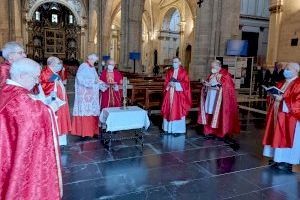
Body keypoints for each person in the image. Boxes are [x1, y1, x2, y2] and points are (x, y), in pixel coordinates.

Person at [0, 58, 62, 199]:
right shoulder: (19, 98)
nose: (37, 81)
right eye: (35, 77)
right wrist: (50, 110)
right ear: (22, 76)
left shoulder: (7, 91)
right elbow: (33, 123)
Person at [263, 62, 300, 172]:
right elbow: (277, 95)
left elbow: (298, 101)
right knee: (277, 136)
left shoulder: (298, 84)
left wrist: (283, 99)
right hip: (278, 115)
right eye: (285, 69)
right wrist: (272, 96)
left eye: (288, 69)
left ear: (296, 71)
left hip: (290, 118)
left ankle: (287, 163)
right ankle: (277, 159)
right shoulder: (282, 82)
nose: (285, 71)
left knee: (286, 138)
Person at [198, 60, 240, 140]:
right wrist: (205, 84)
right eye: (212, 67)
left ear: (219, 66)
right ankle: (210, 131)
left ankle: (219, 132)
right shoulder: (212, 75)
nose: (212, 68)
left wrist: (220, 88)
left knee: (219, 115)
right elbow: (209, 82)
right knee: (210, 114)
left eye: (213, 67)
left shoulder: (225, 74)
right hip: (211, 96)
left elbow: (229, 87)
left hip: (219, 99)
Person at [71, 54, 106, 137]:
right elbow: (80, 79)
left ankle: (93, 131)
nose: (95, 62)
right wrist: (93, 82)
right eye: (94, 60)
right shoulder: (83, 66)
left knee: (93, 111)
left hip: (92, 95)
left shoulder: (92, 68)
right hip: (84, 95)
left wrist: (102, 84)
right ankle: (85, 132)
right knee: (86, 111)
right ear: (90, 59)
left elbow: (96, 79)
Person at [40, 56, 72, 145]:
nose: (60, 65)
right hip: (54, 100)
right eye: (58, 63)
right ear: (52, 64)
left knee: (61, 117)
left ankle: (61, 139)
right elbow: (44, 87)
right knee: (56, 117)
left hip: (60, 100)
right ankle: (55, 139)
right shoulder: (45, 73)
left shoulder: (55, 73)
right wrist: (54, 83)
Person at [161, 57, 191, 134]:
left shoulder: (184, 72)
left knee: (177, 110)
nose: (174, 63)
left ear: (180, 63)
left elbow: (186, 84)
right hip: (169, 94)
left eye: (176, 62)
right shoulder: (170, 72)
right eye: (173, 62)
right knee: (168, 109)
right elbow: (166, 82)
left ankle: (177, 129)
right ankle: (167, 128)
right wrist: (169, 84)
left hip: (179, 96)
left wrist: (176, 85)